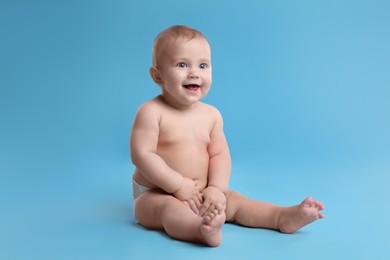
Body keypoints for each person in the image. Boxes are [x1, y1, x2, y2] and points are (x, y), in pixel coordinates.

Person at [130, 25, 324, 247]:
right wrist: (177, 185)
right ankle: (199, 230)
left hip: (200, 193)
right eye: (182, 65)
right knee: (168, 209)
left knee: (234, 201)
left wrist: (216, 189)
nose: (194, 72)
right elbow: (142, 155)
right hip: (155, 193)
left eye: (203, 65)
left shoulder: (211, 115)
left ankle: (281, 217)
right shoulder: (151, 112)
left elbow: (220, 155)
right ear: (157, 75)